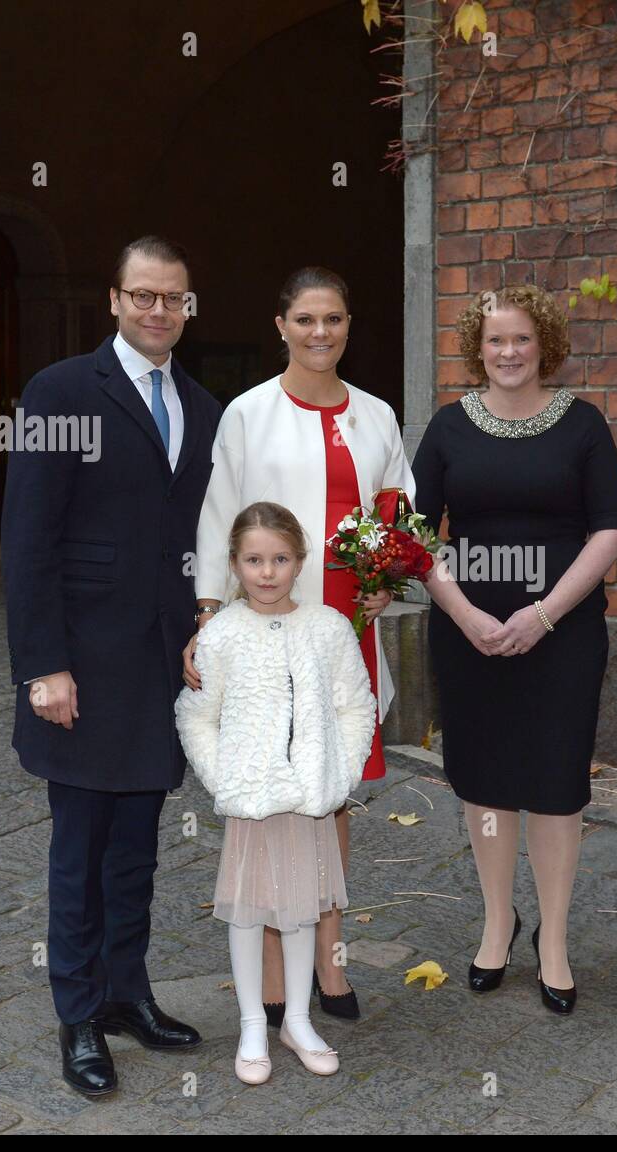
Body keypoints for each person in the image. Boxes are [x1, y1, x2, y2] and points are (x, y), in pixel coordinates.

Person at [2, 236, 220, 1097]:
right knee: (80, 849)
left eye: (174, 298)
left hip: (161, 667)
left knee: (138, 847)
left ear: (188, 306)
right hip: (81, 670)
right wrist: (44, 666)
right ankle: (78, 1015)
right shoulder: (58, 391)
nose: (159, 310)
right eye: (143, 296)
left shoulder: (202, 406)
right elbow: (27, 543)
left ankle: (130, 993)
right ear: (115, 299)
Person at [184, 267, 413, 1026]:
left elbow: (398, 519)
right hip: (260, 629)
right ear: (280, 324)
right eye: (307, 319)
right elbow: (221, 516)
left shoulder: (378, 415)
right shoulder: (247, 414)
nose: (322, 333)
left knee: (331, 789)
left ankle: (330, 959)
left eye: (336, 320)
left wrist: (390, 584)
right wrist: (209, 616)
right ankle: (275, 981)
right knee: (264, 791)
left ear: (350, 325)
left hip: (343, 631)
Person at [411, 284, 617, 1013]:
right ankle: (499, 921)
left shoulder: (584, 425)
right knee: (487, 779)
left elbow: (608, 530)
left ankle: (556, 938)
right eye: (495, 340)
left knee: (557, 782)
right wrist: (465, 611)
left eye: (522, 340)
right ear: (478, 347)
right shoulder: (447, 426)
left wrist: (544, 614)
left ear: (546, 348)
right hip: (468, 630)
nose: (508, 353)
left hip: (563, 632)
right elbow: (414, 532)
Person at [175, 503, 375, 1080]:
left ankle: (297, 1019)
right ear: (235, 564)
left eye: (280, 559)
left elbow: (354, 704)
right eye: (254, 560)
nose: (267, 572)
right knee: (247, 911)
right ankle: (251, 1026)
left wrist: (338, 775)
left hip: (310, 799)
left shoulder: (327, 627)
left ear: (300, 561)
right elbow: (197, 715)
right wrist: (227, 777)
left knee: (303, 909)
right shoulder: (222, 636)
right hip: (252, 803)